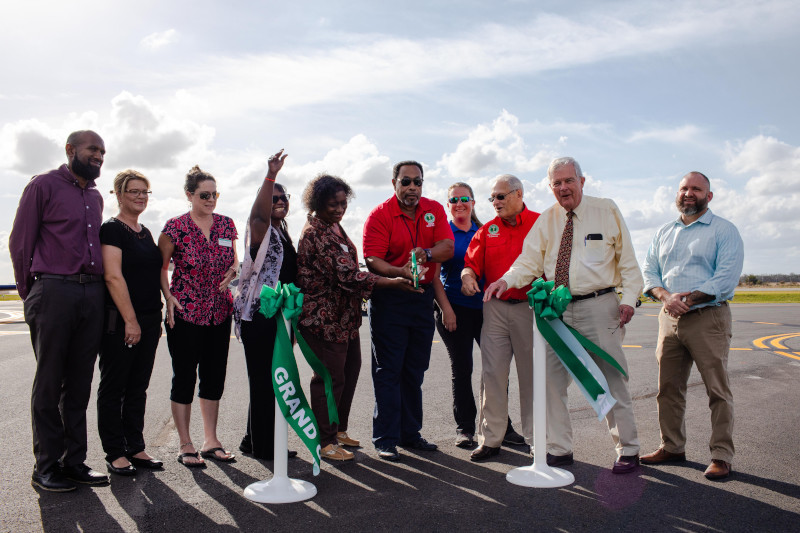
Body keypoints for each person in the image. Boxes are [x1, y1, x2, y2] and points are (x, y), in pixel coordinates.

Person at [485, 156, 644, 474]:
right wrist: (507, 279)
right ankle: (559, 449)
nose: (563, 187)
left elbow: (627, 261)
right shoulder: (547, 220)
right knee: (550, 382)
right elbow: (527, 262)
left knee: (611, 378)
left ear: (582, 182)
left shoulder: (606, 210)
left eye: (569, 180)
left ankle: (628, 449)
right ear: (549, 187)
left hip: (600, 307)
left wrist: (628, 299)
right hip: (555, 313)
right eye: (556, 183)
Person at [10, 130, 110, 491]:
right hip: (53, 289)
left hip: (91, 293)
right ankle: (46, 467)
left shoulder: (96, 197)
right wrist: (33, 292)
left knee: (80, 382)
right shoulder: (43, 186)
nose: (99, 155)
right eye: (92, 149)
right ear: (70, 150)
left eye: (102, 151)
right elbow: (20, 242)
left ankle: (74, 462)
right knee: (50, 382)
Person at [297, 174, 418, 462]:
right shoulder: (316, 232)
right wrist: (397, 276)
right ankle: (324, 442)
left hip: (344, 318)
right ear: (317, 203)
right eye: (332, 204)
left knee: (349, 372)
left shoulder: (333, 226)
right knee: (329, 378)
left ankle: (338, 431)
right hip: (323, 319)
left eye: (343, 203)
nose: (339, 209)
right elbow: (347, 275)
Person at [641, 171, 744, 480]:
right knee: (668, 388)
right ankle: (672, 447)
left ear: (708, 196)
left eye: (696, 189)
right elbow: (650, 270)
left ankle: (721, 455)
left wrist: (687, 299)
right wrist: (664, 296)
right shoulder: (663, 231)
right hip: (669, 319)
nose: (689, 193)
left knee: (717, 388)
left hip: (707, 318)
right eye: (684, 188)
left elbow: (725, 277)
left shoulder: (724, 231)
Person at [363, 160, 454, 461]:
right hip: (391, 297)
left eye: (417, 182)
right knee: (389, 370)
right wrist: (398, 274)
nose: (412, 187)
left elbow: (447, 247)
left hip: (420, 298)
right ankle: (385, 438)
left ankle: (410, 433)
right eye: (406, 182)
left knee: (415, 369)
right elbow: (373, 260)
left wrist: (426, 253)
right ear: (394, 184)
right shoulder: (379, 215)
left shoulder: (434, 210)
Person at [159, 166, 238, 467]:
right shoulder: (174, 227)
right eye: (204, 195)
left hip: (220, 310)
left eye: (214, 194)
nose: (211, 200)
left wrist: (232, 272)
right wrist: (168, 297)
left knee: (214, 376)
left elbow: (234, 261)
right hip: (186, 311)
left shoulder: (227, 225)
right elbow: (161, 266)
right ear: (189, 195)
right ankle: (185, 443)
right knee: (184, 376)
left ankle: (211, 440)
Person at [460, 175, 540, 461]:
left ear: (519, 194)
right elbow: (470, 265)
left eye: (501, 196)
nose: (495, 202)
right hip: (494, 309)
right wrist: (467, 278)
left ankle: (536, 441)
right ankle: (491, 439)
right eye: (492, 198)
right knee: (492, 375)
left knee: (533, 376)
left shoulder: (541, 224)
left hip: (531, 309)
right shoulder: (487, 230)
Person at [233, 150, 299, 460]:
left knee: (269, 379)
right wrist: (270, 175)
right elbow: (257, 215)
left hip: (279, 317)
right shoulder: (261, 229)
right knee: (265, 381)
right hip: (259, 316)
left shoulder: (282, 232)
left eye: (284, 196)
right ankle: (265, 447)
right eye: (273, 198)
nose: (280, 201)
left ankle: (252, 439)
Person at [98, 170, 164, 476]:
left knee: (138, 387)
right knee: (115, 386)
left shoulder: (145, 232)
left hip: (150, 319)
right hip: (122, 321)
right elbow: (113, 276)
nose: (140, 196)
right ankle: (115, 452)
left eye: (145, 192)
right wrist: (131, 320)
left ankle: (135, 446)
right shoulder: (112, 230)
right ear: (119, 194)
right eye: (134, 191)